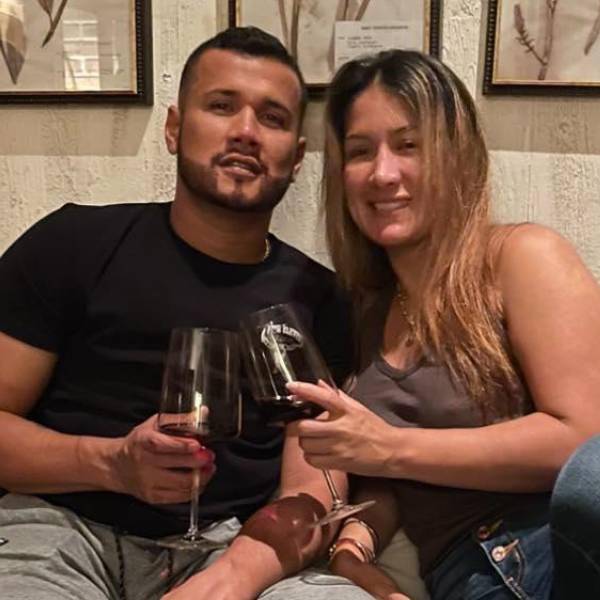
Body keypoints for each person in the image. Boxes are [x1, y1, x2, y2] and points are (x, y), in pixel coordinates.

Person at [0, 27, 374, 600]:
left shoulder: (318, 297)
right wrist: (112, 464)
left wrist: (235, 578)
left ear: (297, 158)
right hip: (61, 528)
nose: (245, 131)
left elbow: (315, 484)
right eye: (221, 106)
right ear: (175, 128)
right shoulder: (74, 243)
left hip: (234, 542)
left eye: (272, 117)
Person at [288, 49, 600, 599]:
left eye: (409, 145)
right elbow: (392, 476)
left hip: (552, 552)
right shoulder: (366, 309)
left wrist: (390, 447)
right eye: (360, 152)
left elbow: (582, 439)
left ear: (456, 155)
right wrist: (351, 549)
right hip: (465, 575)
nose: (383, 173)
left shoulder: (521, 256)